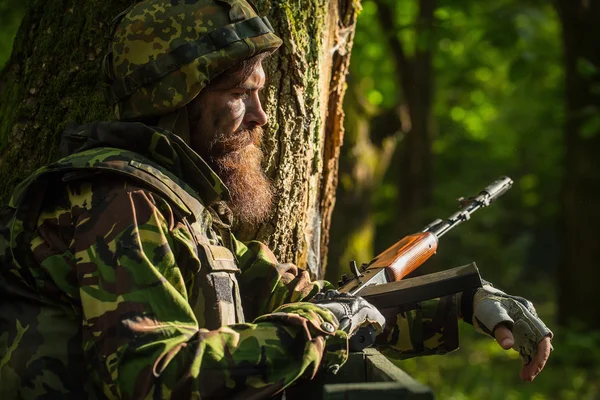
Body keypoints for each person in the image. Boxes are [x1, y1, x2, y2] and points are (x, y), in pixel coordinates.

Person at [0, 0, 552, 398]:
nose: (263, 116)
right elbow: (154, 375)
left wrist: (460, 303)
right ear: (177, 99)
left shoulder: (176, 209)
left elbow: (307, 296)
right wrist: (322, 326)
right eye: (242, 95)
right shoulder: (120, 204)